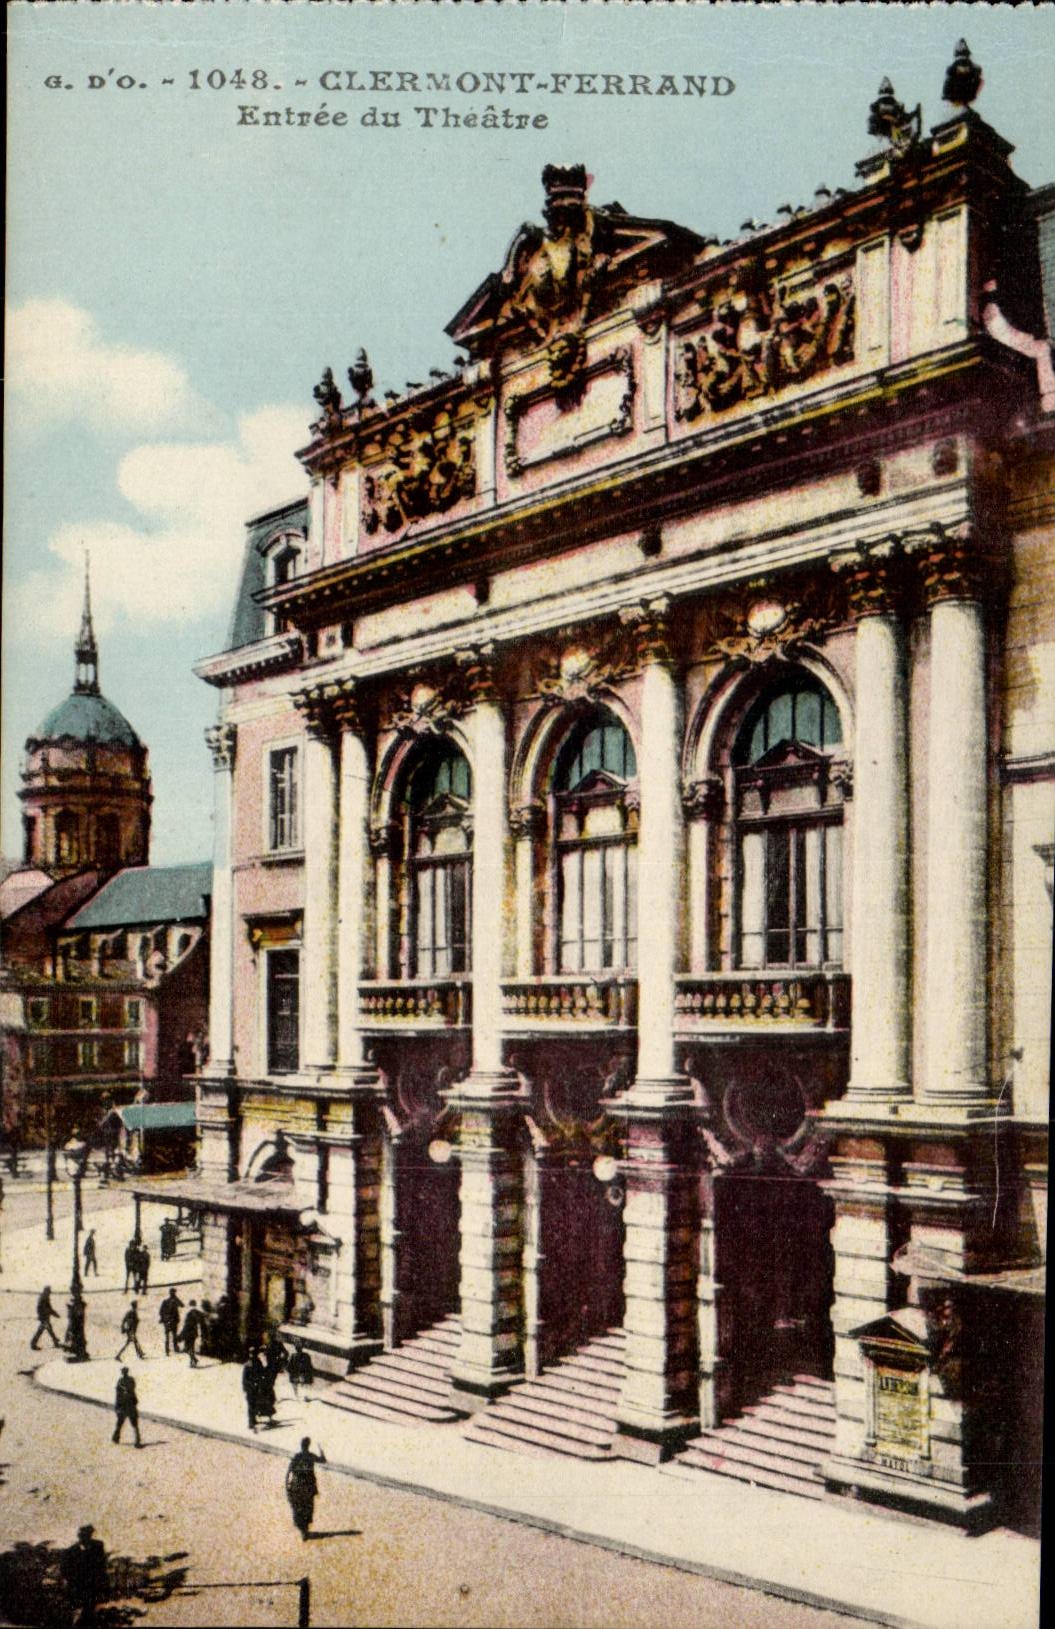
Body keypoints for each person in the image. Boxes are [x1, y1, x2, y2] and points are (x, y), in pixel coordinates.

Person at [61, 1524, 109, 1625]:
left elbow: (102, 1565)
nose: (87, 1537)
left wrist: (102, 1581)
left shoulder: (98, 1546)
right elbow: (65, 1569)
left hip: (93, 1584)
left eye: (89, 1534)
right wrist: (71, 1580)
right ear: (80, 1536)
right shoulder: (71, 1551)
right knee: (79, 1609)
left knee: (90, 1608)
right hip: (78, 1584)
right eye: (84, 1535)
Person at [285, 1437, 326, 1538]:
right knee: (307, 1508)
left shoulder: (297, 1457)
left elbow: (288, 1472)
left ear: (301, 1446)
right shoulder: (310, 1456)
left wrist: (287, 1487)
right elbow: (323, 1460)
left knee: (298, 1508)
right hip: (308, 1487)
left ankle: (303, 1531)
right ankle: (305, 1531)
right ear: (308, 1446)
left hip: (297, 1486)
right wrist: (321, 1449)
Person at [112, 1367, 142, 1447]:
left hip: (123, 1406)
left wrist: (117, 1407)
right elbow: (133, 1391)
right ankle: (137, 1441)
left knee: (120, 1423)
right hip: (130, 1405)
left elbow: (118, 1396)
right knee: (134, 1424)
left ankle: (116, 1438)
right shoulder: (131, 1380)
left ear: (122, 1372)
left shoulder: (120, 1381)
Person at [30, 1284, 61, 1349]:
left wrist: (55, 1314)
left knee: (49, 1329)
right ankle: (33, 1343)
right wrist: (54, 1314)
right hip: (44, 1318)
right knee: (42, 1330)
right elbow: (47, 1309)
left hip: (45, 1317)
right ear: (46, 1291)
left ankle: (55, 1341)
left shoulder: (45, 1297)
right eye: (49, 1291)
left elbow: (49, 1308)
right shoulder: (43, 1298)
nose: (49, 1293)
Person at [242, 1347, 264, 1430]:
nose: (253, 1355)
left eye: (254, 1353)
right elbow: (245, 1378)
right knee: (251, 1405)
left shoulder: (258, 1362)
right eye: (252, 1353)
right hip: (250, 1388)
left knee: (254, 1404)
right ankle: (251, 1422)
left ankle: (253, 1419)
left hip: (256, 1387)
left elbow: (261, 1373)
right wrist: (246, 1387)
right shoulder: (249, 1364)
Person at [180, 1299, 207, 1367]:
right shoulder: (198, 1313)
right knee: (191, 1347)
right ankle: (194, 1360)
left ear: (190, 1305)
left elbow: (186, 1325)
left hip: (188, 1333)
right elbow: (202, 1323)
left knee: (187, 1348)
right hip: (194, 1333)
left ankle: (193, 1360)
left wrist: (182, 1334)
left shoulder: (189, 1313)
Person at [158, 1288, 184, 1355]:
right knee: (174, 1335)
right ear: (174, 1293)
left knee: (167, 1336)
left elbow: (160, 1311)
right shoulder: (175, 1301)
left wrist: (163, 1318)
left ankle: (167, 1350)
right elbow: (182, 1305)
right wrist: (176, 1298)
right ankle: (175, 1348)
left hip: (167, 1321)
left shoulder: (165, 1301)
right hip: (173, 1321)